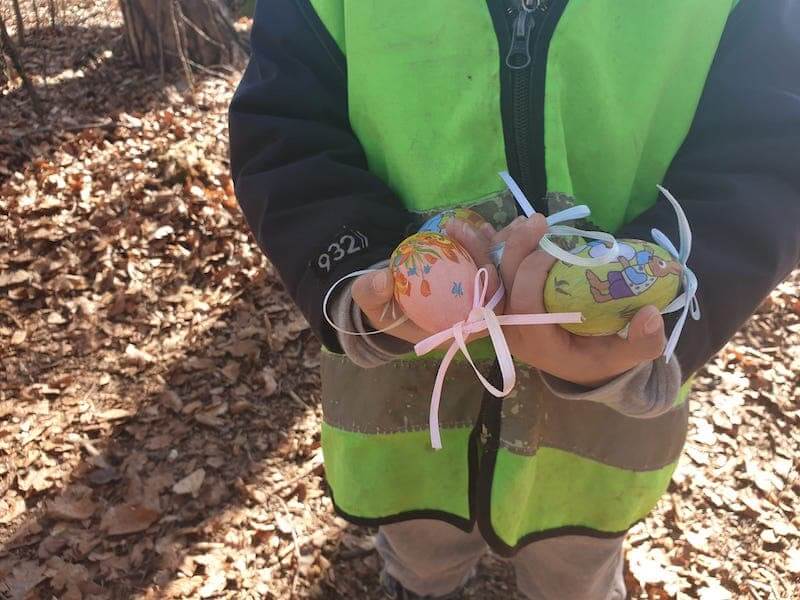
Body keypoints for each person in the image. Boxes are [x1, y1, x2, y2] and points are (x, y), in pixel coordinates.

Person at [229, 1, 800, 598]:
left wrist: (664, 307)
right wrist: (352, 267)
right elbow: (283, 126)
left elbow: (771, 150)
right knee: (422, 552)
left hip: (594, 437)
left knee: (573, 570)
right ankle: (420, 584)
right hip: (405, 410)